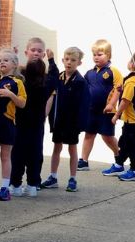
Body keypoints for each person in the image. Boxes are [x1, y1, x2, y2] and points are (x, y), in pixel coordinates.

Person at [10, 48, 58, 197]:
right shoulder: (46, 85)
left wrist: (15, 56)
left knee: (17, 154)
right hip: (37, 124)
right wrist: (51, 60)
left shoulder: (21, 84)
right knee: (35, 155)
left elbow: (13, 72)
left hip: (20, 122)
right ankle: (32, 185)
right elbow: (54, 76)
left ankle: (15, 185)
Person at [42, 47, 90, 192]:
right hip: (59, 120)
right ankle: (53, 176)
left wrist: (79, 124)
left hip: (72, 122)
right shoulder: (60, 77)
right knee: (56, 147)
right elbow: (52, 79)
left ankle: (72, 178)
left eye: (73, 60)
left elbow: (84, 104)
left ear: (79, 63)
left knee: (72, 148)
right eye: (67, 60)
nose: (69, 63)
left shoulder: (80, 82)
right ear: (63, 60)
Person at [101, 52, 135, 181]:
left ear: (132, 64)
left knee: (132, 145)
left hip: (132, 119)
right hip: (130, 119)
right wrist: (121, 88)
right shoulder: (133, 79)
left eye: (130, 60)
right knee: (124, 142)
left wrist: (116, 115)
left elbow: (125, 101)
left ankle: (134, 171)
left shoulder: (132, 82)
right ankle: (119, 165)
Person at [0, 48, 26, 202]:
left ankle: (5, 187)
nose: (2, 62)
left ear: (14, 64)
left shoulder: (17, 83)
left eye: (6, 60)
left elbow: (22, 103)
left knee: (5, 156)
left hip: (7, 122)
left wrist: (10, 95)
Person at [77, 39, 123, 171]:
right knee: (89, 134)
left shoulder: (113, 71)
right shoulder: (90, 73)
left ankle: (118, 156)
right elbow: (83, 88)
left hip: (106, 111)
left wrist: (111, 104)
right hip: (91, 110)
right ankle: (84, 161)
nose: (96, 57)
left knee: (107, 136)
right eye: (94, 54)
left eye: (100, 54)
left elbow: (118, 89)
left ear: (108, 55)